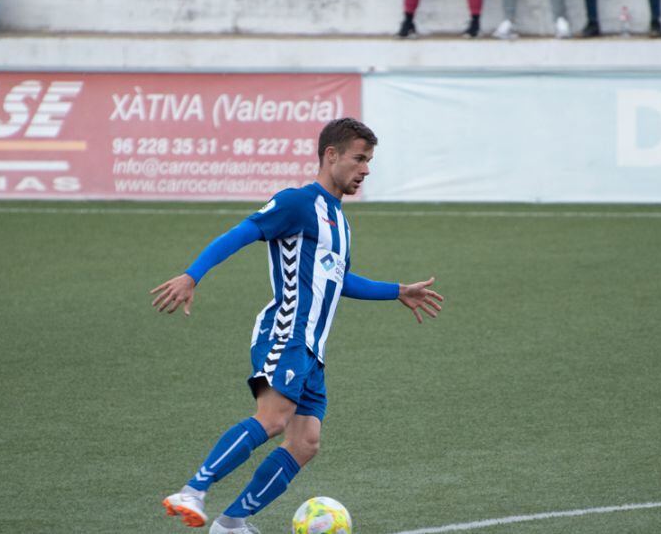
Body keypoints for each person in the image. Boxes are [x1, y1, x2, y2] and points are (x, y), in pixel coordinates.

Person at [151, 118, 444, 534]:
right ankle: (192, 491)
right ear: (331, 155)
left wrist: (397, 290)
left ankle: (232, 522)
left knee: (305, 443)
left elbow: (338, 280)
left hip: (312, 348)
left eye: (369, 161)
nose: (365, 169)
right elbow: (244, 231)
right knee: (273, 418)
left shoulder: (338, 220)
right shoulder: (298, 202)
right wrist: (192, 275)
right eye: (359, 159)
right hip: (285, 332)